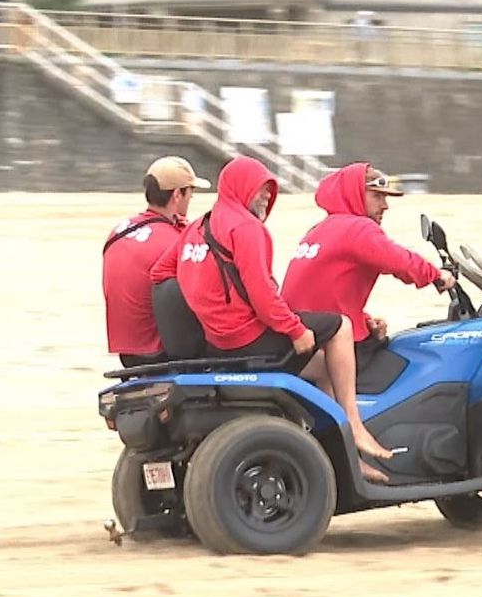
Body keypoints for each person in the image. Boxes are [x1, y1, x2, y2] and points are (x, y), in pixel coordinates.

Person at [150, 156, 393, 481]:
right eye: (259, 189)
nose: (265, 196)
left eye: (269, 190)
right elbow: (263, 294)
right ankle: (356, 425)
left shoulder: (199, 225)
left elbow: (161, 272)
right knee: (339, 327)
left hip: (218, 342)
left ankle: (346, 458)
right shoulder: (248, 229)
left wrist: (208, 302)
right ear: (240, 188)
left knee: (325, 367)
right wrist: (294, 330)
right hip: (250, 338)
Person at [281, 163, 455, 375]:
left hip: (303, 339)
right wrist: (437, 276)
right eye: (377, 196)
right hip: (331, 343)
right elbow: (400, 261)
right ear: (354, 194)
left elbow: (322, 294)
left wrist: (363, 321)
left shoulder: (319, 230)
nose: (385, 206)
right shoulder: (358, 228)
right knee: (412, 364)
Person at [102, 156, 209, 368]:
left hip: (126, 351)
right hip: (160, 350)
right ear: (177, 195)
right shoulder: (177, 240)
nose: (192, 198)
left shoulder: (119, 231)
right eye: (191, 192)